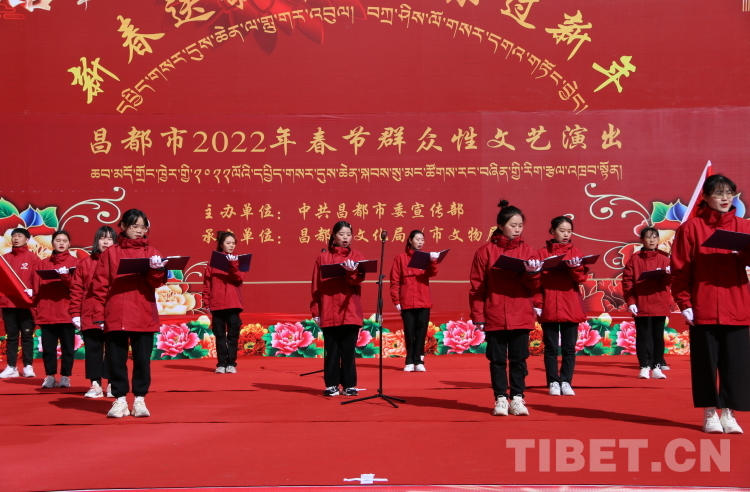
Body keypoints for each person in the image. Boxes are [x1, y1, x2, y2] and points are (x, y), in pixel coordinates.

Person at [671, 174, 750, 434]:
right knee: (706, 363)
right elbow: (680, 269)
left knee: (736, 363)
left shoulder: (743, 226)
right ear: (705, 197)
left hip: (736, 304)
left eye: (729, 193)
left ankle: (729, 413)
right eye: (718, 193)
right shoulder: (691, 228)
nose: (725, 198)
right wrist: (684, 302)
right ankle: (709, 412)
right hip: (703, 304)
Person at [469, 200, 541, 416]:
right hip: (495, 313)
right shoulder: (485, 252)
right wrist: (478, 315)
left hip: (520, 313)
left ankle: (517, 398)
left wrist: (532, 274)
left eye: (520, 225)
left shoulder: (528, 251)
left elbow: (535, 287)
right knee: (497, 360)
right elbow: (477, 287)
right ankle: (500, 398)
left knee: (519, 359)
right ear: (500, 226)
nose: (517, 229)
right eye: (513, 225)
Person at [92, 209, 167, 418]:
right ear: (123, 226)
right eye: (135, 226)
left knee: (142, 360)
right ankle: (120, 400)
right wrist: (99, 315)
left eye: (143, 227)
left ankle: (140, 399)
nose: (139, 231)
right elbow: (99, 286)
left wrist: (157, 270)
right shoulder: (110, 253)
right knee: (116, 360)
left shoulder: (152, 252)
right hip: (116, 313)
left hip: (143, 312)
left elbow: (156, 283)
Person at [310, 221, 366, 397]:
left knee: (348, 350)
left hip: (350, 309)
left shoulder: (357, 256)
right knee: (332, 350)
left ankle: (349, 385)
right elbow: (316, 286)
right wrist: (316, 311)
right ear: (334, 236)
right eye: (341, 234)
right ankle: (332, 384)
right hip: (329, 310)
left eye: (348, 234)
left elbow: (357, 280)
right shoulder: (323, 258)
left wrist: (351, 271)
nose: (345, 237)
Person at [534, 216, 588, 396]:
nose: (566, 234)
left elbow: (581, 278)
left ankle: (566, 381)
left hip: (570, 305)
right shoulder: (541, 254)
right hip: (549, 305)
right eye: (562, 230)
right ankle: (553, 382)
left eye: (569, 231)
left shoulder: (576, 252)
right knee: (550, 348)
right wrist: (538, 303)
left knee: (568, 348)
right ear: (552, 231)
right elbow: (536, 283)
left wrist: (575, 268)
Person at [69, 226, 116, 398]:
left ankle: (111, 384)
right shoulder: (85, 264)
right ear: (96, 241)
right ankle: (95, 384)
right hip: (90, 313)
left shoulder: (119, 262)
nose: (106, 242)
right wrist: (75, 313)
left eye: (110, 238)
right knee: (93, 350)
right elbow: (76, 290)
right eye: (102, 238)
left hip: (113, 313)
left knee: (113, 350)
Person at [622, 227, 672, 380]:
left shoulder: (664, 258)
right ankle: (644, 367)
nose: (652, 240)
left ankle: (657, 366)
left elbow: (668, 283)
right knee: (643, 335)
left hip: (659, 301)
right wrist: (631, 302)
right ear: (642, 240)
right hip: (641, 302)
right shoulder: (634, 259)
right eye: (648, 237)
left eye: (655, 237)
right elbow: (627, 282)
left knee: (658, 336)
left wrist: (669, 274)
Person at [33, 230, 79, 389]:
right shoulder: (42, 264)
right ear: (52, 242)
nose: (61, 243)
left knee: (68, 348)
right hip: (46, 312)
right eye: (58, 240)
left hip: (66, 312)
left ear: (69, 244)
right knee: (48, 349)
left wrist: (66, 277)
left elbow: (77, 288)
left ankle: (65, 376)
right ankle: (50, 376)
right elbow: (36, 289)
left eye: (64, 241)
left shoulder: (76, 263)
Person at [390, 230, 439, 372]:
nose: (420, 242)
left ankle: (419, 361)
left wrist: (433, 261)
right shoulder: (400, 258)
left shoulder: (426, 258)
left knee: (421, 332)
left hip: (423, 300)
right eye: (418, 239)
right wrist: (396, 301)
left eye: (422, 240)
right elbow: (394, 281)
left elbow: (432, 273)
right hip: (407, 301)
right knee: (409, 332)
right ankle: (409, 361)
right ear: (410, 240)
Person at [202, 231, 245, 374]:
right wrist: (206, 302)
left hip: (233, 304)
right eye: (228, 243)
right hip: (217, 304)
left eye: (233, 243)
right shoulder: (212, 263)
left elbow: (238, 277)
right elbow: (207, 284)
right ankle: (221, 363)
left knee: (233, 335)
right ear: (221, 244)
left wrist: (232, 264)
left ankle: (231, 363)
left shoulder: (239, 261)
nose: (231, 245)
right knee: (220, 335)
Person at [0, 228, 40, 379]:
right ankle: (11, 367)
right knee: (11, 336)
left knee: (27, 335)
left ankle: (28, 366)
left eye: (20, 236)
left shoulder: (33, 259)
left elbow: (38, 280)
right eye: (14, 236)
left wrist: (33, 291)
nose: (16, 238)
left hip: (26, 304)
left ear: (27, 239)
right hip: (9, 303)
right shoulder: (4, 260)